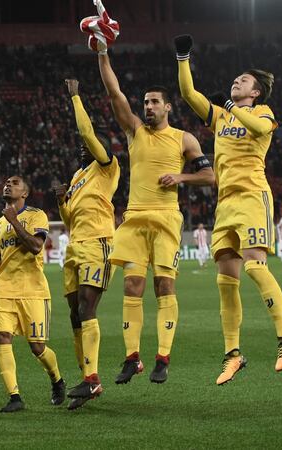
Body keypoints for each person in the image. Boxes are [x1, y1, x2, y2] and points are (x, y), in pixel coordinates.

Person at [175, 34, 282, 383]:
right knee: (226, 282)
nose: (235, 82)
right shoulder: (220, 119)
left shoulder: (261, 112)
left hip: (252, 197)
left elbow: (259, 127)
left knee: (256, 267)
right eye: (235, 79)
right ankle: (233, 354)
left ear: (255, 91)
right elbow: (188, 94)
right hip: (225, 203)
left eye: (242, 81)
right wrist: (183, 58)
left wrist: (231, 108)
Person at [97, 41, 215, 384]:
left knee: (165, 286)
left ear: (167, 107)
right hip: (134, 220)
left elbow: (210, 176)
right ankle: (132, 358)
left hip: (165, 220)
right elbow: (114, 91)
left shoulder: (184, 139)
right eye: (145, 102)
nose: (147, 107)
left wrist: (181, 175)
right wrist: (102, 53)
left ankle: (162, 357)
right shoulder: (135, 131)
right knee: (132, 286)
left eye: (153, 103)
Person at [54, 79, 120, 410]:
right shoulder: (79, 178)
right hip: (74, 244)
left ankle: (92, 380)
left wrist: (76, 96)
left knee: (86, 306)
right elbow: (69, 220)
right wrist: (60, 201)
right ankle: (86, 375)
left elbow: (87, 134)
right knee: (73, 313)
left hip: (98, 241)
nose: (84, 148)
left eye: (90, 145)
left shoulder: (107, 166)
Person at [0, 175, 65, 413]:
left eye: (15, 183)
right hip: (4, 289)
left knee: (37, 347)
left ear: (25, 193)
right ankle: (14, 396)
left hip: (33, 290)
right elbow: (4, 252)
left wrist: (14, 222)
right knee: (2, 337)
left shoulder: (36, 215)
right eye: (6, 182)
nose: (8, 184)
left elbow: (35, 246)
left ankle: (57, 379)